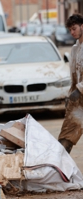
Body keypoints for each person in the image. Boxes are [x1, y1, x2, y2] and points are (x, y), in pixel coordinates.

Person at [58, 13, 83, 154]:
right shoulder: (74, 49)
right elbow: (75, 76)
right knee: (66, 136)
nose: (72, 32)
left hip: (80, 93)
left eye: (74, 28)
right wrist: (71, 95)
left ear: (82, 26)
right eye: (70, 30)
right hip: (79, 102)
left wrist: (79, 90)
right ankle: (59, 170)